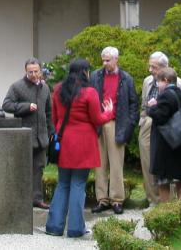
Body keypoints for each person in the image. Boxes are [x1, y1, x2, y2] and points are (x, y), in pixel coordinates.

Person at [44, 59, 114, 238]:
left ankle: (54, 226)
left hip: (63, 141)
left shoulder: (59, 89)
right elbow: (97, 119)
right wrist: (110, 111)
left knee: (63, 184)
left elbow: (55, 116)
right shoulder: (89, 92)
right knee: (78, 184)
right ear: (85, 72)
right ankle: (75, 228)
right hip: (83, 143)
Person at [90, 46, 138, 215]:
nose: (104, 63)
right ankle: (102, 199)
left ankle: (117, 199)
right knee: (99, 163)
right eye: (103, 60)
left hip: (116, 123)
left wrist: (129, 125)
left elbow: (134, 105)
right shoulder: (95, 76)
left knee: (116, 164)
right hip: (98, 122)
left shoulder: (126, 78)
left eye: (108, 60)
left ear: (116, 59)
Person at [2, 57, 54, 210]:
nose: (33, 74)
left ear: (40, 70)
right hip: (25, 136)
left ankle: (37, 199)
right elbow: (7, 105)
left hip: (42, 137)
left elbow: (49, 112)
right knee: (22, 168)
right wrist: (25, 107)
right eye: (30, 71)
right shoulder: (17, 87)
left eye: (36, 71)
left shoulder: (45, 88)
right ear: (25, 71)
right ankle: (20, 199)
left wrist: (52, 131)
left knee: (38, 168)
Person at [146, 67, 181, 202]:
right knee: (180, 179)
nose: (157, 86)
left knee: (164, 180)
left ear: (166, 81)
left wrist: (152, 107)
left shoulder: (165, 96)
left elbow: (160, 117)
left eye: (158, 82)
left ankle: (167, 211)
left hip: (166, 145)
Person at [139, 51, 171, 206]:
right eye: (149, 66)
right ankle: (153, 200)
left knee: (164, 164)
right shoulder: (147, 81)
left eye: (154, 67)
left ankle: (167, 202)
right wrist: (142, 120)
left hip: (166, 126)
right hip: (148, 124)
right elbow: (143, 104)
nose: (150, 70)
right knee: (147, 163)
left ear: (165, 68)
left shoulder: (177, 82)